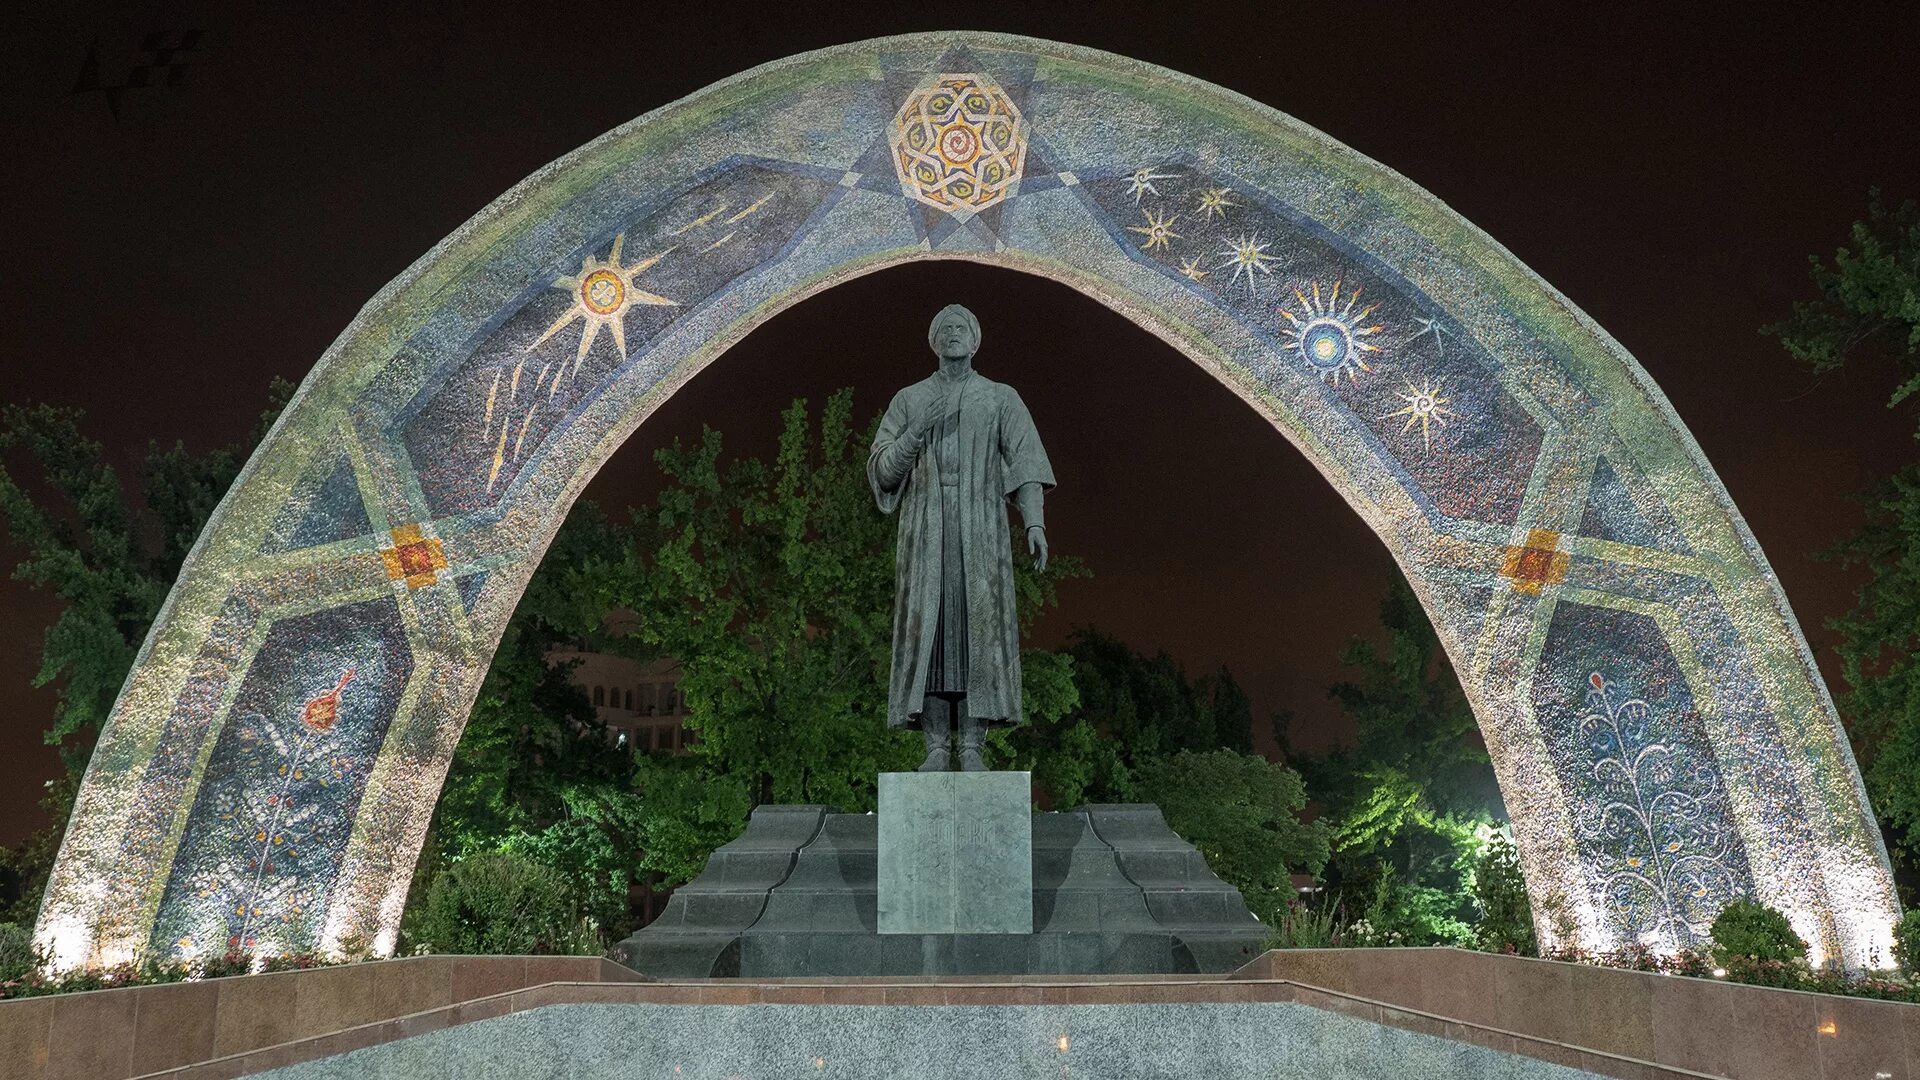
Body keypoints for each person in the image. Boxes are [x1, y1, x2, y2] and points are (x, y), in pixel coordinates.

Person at [868, 303, 1055, 772]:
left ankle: (972, 746)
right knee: (927, 636)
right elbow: (881, 471)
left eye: (962, 328)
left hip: (982, 533)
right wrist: (914, 434)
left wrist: (1034, 522)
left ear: (975, 341)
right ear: (933, 341)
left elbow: (1027, 462)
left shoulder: (999, 398)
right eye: (944, 328)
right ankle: (935, 747)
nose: (953, 335)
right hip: (926, 533)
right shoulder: (910, 399)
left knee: (979, 636)